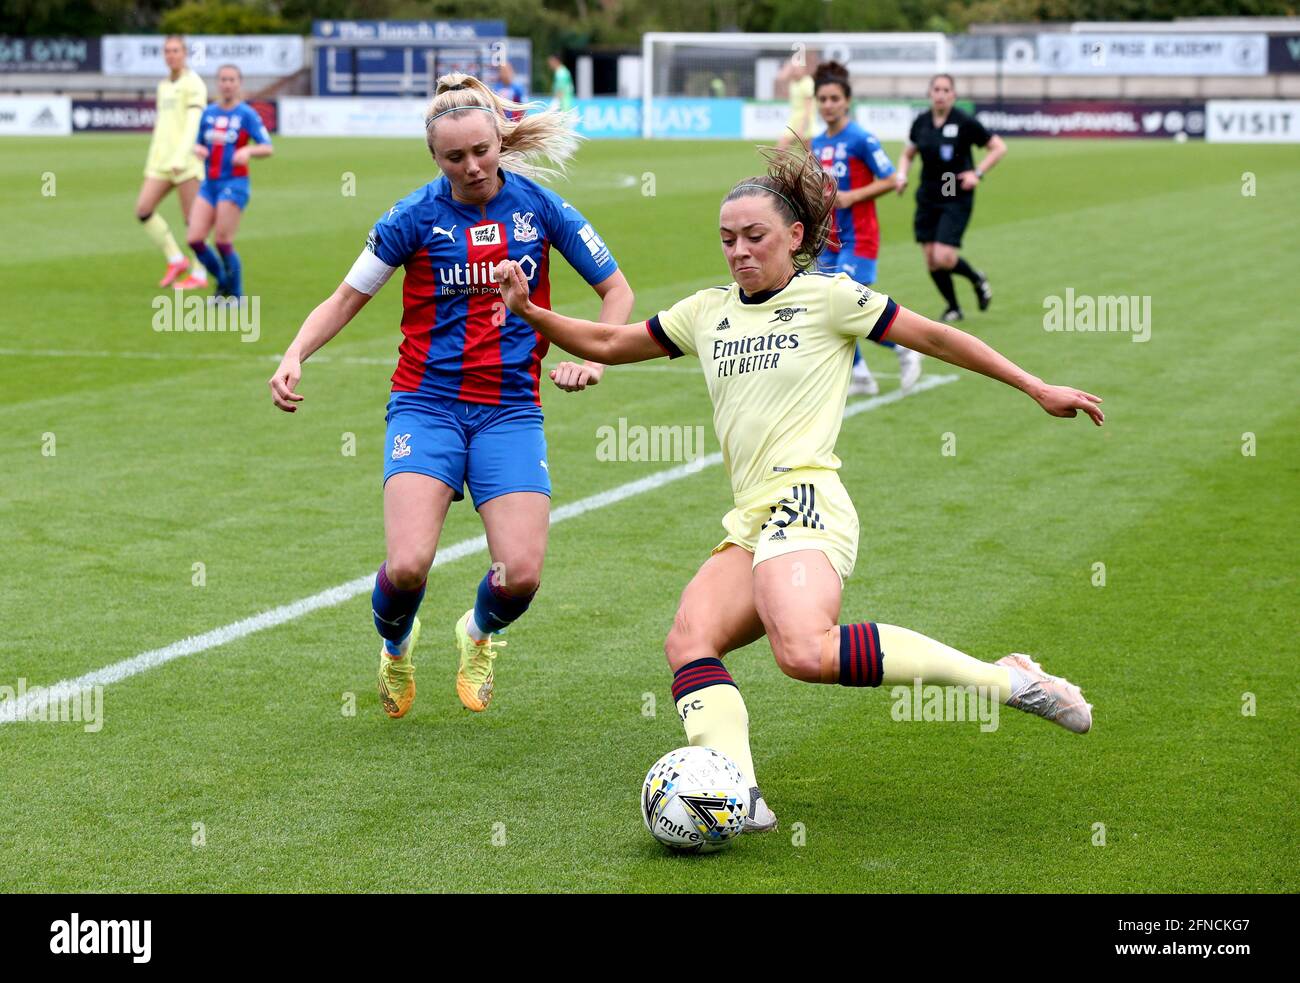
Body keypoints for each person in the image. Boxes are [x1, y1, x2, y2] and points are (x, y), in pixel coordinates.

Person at [492, 146, 1100, 830]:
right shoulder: (706, 312)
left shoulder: (831, 298)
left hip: (807, 499)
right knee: (690, 639)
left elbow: (935, 338)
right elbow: (608, 343)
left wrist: (1035, 386)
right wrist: (530, 311)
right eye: (728, 239)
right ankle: (740, 792)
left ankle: (1009, 679)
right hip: (752, 517)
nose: (739, 251)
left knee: (804, 651)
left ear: (795, 236)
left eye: (755, 236)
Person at [267, 74, 634, 718]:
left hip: (510, 409)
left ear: (500, 142)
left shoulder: (541, 208)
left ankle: (478, 633)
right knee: (408, 565)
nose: (472, 167)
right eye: (454, 157)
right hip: (425, 403)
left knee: (521, 574)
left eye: (482, 151)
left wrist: (593, 360)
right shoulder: (412, 216)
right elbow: (346, 298)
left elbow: (617, 291)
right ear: (434, 157)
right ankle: (396, 645)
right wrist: (295, 352)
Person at [810, 60, 921, 396]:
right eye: (822, 99)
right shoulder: (816, 143)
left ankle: (903, 347)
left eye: (834, 98)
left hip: (859, 237)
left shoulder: (861, 139)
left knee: (844, 304)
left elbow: (891, 178)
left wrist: (852, 196)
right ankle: (860, 375)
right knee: (825, 306)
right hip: (828, 240)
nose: (828, 105)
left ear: (847, 101)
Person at [896, 74, 1006, 323]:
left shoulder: (964, 121)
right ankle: (954, 307)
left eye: (946, 90)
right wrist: (901, 175)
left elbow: (999, 147)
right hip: (928, 195)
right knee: (931, 260)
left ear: (953, 95)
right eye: (936, 89)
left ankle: (976, 278)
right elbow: (908, 154)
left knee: (943, 257)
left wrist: (977, 173)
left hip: (954, 194)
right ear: (930, 93)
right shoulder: (921, 122)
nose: (941, 94)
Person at [186, 65, 273, 301]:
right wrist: (198, 149)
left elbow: (267, 147)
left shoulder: (246, 114)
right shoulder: (209, 113)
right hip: (209, 184)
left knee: (222, 241)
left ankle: (235, 294)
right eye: (223, 79)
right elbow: (198, 143)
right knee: (194, 239)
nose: (227, 84)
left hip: (234, 183)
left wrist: (248, 151)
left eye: (231, 80)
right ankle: (223, 282)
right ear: (218, 83)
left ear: (239, 83)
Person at [134, 35, 208, 290]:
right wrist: (154, 157)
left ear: (184, 53)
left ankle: (199, 273)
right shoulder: (164, 85)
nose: (171, 55)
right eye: (167, 51)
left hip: (185, 162)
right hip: (162, 162)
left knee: (193, 221)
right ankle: (176, 259)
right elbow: (163, 127)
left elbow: (193, 124)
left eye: (175, 50)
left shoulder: (194, 83)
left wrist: (181, 155)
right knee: (143, 210)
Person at [776, 56, 815, 152]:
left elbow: (809, 108)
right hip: (794, 120)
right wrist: (788, 66)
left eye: (797, 68)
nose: (795, 70)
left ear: (803, 69)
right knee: (780, 150)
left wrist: (802, 127)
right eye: (793, 68)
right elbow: (780, 78)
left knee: (809, 154)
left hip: (805, 121)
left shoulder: (807, 82)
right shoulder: (793, 82)